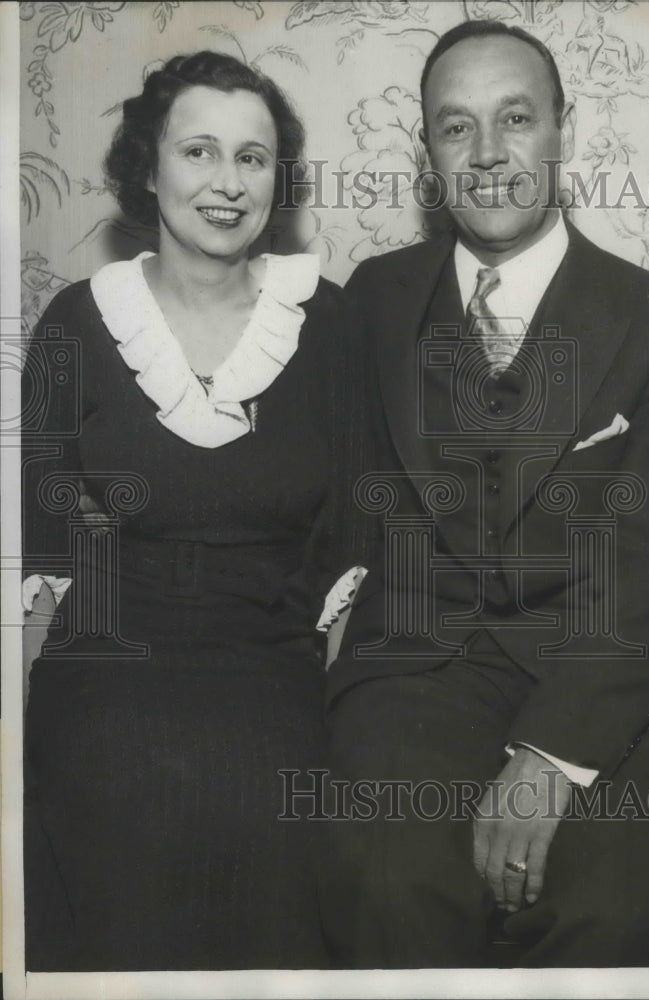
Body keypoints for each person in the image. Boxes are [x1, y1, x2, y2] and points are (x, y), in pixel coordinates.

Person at [319, 20, 649, 968]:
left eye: (515, 119)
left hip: (599, 683)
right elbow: (313, 495)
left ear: (563, 133)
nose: (489, 154)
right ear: (428, 153)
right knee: (382, 884)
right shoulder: (371, 300)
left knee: (613, 913)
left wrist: (551, 760)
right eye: (456, 129)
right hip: (415, 679)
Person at [22, 50, 374, 971]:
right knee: (110, 810)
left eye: (252, 159)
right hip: (112, 659)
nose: (227, 184)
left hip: (272, 660)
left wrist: (321, 673)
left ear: (276, 180)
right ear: (149, 168)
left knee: (279, 830)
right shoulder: (75, 322)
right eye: (199, 152)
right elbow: (43, 539)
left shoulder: (330, 324)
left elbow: (355, 533)